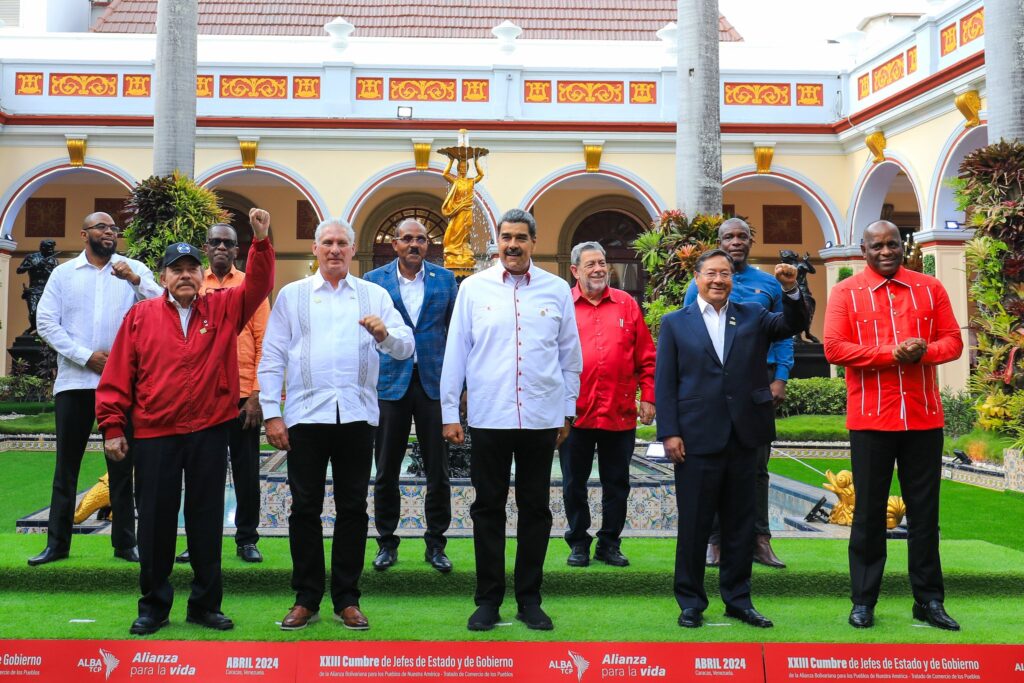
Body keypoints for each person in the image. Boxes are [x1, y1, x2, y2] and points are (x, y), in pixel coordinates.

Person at [96, 208, 274, 636]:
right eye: (177, 270)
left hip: (209, 431)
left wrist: (261, 240)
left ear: (202, 275)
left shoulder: (223, 308)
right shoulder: (140, 317)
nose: (186, 276)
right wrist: (113, 426)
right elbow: (117, 375)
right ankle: (154, 606)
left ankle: (205, 605)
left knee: (206, 520)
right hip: (155, 434)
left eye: (193, 269)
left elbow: (258, 285)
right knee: (155, 521)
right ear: (163, 277)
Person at [259, 218, 414, 632]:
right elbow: (273, 355)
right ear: (315, 249)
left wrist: (384, 335)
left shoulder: (373, 295)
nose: (334, 250)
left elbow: (406, 347)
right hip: (306, 416)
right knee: (304, 509)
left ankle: (347, 599)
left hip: (356, 416)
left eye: (342, 243)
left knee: (353, 509)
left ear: (352, 250)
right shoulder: (293, 295)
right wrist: (272, 412)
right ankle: (306, 598)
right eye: (327, 242)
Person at [441, 208, 582, 632]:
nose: (513, 245)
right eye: (506, 237)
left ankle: (529, 600)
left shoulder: (556, 290)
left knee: (535, 509)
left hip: (540, 417)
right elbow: (456, 352)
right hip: (490, 416)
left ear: (534, 242)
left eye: (521, 238)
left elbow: (569, 356)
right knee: (488, 508)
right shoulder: (473, 288)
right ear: (497, 242)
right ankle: (488, 600)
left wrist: (567, 409)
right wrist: (449, 412)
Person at [823, 220, 964, 631]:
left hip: (923, 417)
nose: (886, 252)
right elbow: (834, 348)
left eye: (892, 244)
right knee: (867, 514)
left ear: (903, 246)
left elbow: (953, 341)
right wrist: (891, 354)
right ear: (863, 250)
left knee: (925, 514)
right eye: (877, 246)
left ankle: (929, 600)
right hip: (871, 418)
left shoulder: (929, 288)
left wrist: (923, 352)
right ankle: (863, 601)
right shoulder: (845, 292)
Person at [656, 249, 805, 629]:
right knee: (695, 525)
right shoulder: (675, 323)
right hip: (695, 436)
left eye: (725, 274)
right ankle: (691, 602)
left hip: (745, 434)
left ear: (732, 279)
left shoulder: (753, 314)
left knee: (740, 524)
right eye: (711, 273)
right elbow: (665, 382)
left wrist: (791, 290)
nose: (718, 280)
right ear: (697, 278)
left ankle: (738, 601)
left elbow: (793, 323)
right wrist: (669, 432)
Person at [29, 212, 162, 567]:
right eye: (101, 227)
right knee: (66, 466)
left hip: (121, 385)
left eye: (113, 229)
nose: (109, 232)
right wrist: (86, 357)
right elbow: (46, 323)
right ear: (84, 233)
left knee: (121, 463)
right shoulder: (64, 274)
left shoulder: (132, 269)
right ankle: (57, 545)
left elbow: (162, 305)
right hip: (75, 383)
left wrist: (135, 279)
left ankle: (125, 543)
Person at [684, 218, 794, 569]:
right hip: (713, 383)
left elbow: (784, 333)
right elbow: (689, 330)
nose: (735, 242)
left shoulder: (768, 284)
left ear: (750, 241)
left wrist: (780, 377)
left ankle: (760, 539)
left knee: (757, 466)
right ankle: (715, 540)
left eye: (742, 236)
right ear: (719, 242)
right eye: (728, 236)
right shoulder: (699, 284)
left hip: (758, 381)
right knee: (713, 461)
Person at [364, 219, 458, 573]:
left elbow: (456, 332)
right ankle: (387, 542)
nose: (414, 244)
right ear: (395, 244)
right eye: (407, 239)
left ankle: (436, 544)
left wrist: (460, 387)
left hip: (434, 382)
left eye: (421, 239)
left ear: (428, 245)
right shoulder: (374, 281)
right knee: (386, 469)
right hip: (391, 382)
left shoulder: (445, 280)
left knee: (439, 470)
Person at [560, 241, 655, 568]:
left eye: (602, 263)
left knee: (617, 484)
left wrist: (649, 396)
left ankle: (609, 543)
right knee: (573, 483)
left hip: (619, 411)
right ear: (575, 270)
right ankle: (578, 542)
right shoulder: (564, 305)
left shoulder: (627, 304)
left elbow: (646, 356)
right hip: (575, 413)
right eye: (591, 264)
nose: (599, 269)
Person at [184, 223, 271, 564]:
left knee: (246, 472)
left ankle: (247, 538)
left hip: (243, 394)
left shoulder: (251, 287)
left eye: (228, 243)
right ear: (206, 247)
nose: (221, 247)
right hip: (203, 395)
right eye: (215, 242)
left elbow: (265, 343)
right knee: (202, 472)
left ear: (237, 250)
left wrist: (256, 394)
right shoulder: (194, 284)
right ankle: (198, 539)